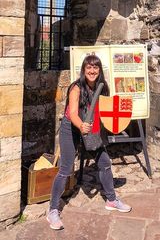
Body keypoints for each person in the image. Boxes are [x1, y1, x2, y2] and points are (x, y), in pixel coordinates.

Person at [47, 54, 131, 230]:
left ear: (99, 70)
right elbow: (74, 113)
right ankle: (53, 210)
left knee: (105, 163)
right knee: (65, 169)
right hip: (71, 127)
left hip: (92, 129)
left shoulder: (103, 87)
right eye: (89, 68)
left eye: (95, 67)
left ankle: (111, 199)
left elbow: (106, 110)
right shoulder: (76, 88)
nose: (92, 71)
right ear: (84, 70)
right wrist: (81, 125)